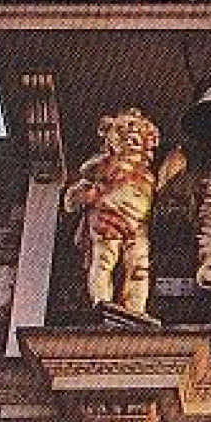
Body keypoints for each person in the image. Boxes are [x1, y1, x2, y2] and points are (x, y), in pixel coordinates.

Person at [64, 108, 185, 316]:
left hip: (139, 225)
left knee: (140, 267)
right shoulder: (109, 164)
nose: (132, 142)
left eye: (138, 138)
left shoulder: (148, 175)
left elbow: (161, 192)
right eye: (126, 137)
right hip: (108, 215)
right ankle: (101, 302)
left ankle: (135, 309)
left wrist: (173, 165)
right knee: (104, 260)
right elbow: (86, 178)